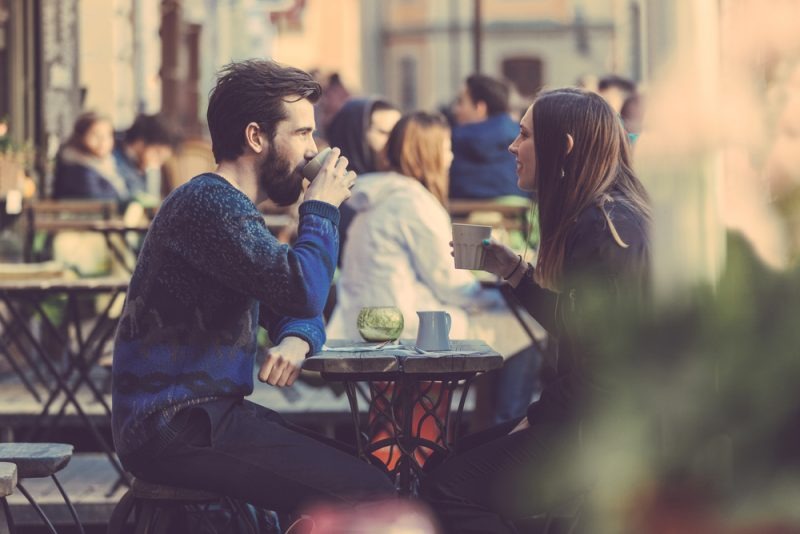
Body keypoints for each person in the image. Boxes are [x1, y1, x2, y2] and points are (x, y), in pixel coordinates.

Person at [111, 59, 395, 516]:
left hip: (203, 418)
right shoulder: (209, 204)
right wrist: (320, 209)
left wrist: (299, 339)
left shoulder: (230, 209)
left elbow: (296, 304)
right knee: (371, 496)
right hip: (175, 425)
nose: (313, 150)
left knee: (362, 474)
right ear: (256, 136)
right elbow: (303, 289)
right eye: (302, 133)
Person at [422, 88, 651, 533]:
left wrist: (541, 416)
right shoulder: (605, 216)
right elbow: (581, 327)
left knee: (444, 488)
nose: (511, 145)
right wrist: (514, 273)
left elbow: (612, 364)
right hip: (596, 419)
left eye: (524, 135)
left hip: (602, 431)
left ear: (562, 146)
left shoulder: (606, 228)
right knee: (445, 464)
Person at [325, 98, 401, 265]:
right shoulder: (328, 189)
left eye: (398, 134)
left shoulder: (403, 186)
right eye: (384, 133)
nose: (395, 142)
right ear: (355, 134)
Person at [449, 74, 527, 199]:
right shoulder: (523, 140)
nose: (455, 109)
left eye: (460, 102)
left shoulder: (452, 143)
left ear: (480, 108)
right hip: (517, 216)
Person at [53, 112, 130, 203]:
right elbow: (95, 198)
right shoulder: (76, 168)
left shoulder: (109, 162)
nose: (103, 141)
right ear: (80, 137)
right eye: (95, 135)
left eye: (108, 135)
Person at [112, 113, 176, 201]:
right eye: (157, 153)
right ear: (140, 142)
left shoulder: (138, 165)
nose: (157, 163)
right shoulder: (113, 159)